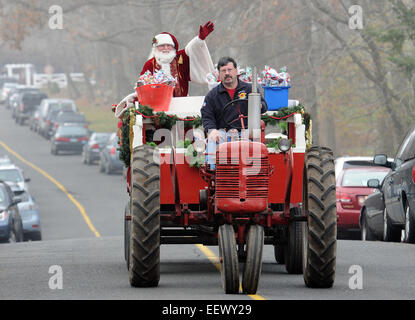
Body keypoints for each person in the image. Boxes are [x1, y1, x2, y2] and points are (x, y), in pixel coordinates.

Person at [114, 21, 215, 118]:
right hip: (157, 111)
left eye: (169, 45)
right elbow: (143, 86)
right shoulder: (150, 64)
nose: (166, 48)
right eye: (162, 45)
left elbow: (191, 49)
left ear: (174, 48)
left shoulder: (181, 59)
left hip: (182, 107)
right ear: (156, 48)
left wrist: (200, 39)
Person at [200, 57, 268, 168]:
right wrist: (212, 131)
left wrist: (258, 105)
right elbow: (207, 116)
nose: (227, 73)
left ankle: (255, 170)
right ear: (219, 74)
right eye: (223, 71)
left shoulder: (249, 89)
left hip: (246, 131)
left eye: (230, 70)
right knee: (213, 140)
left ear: (236, 71)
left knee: (253, 141)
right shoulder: (212, 95)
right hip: (223, 133)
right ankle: (213, 170)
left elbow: (264, 106)